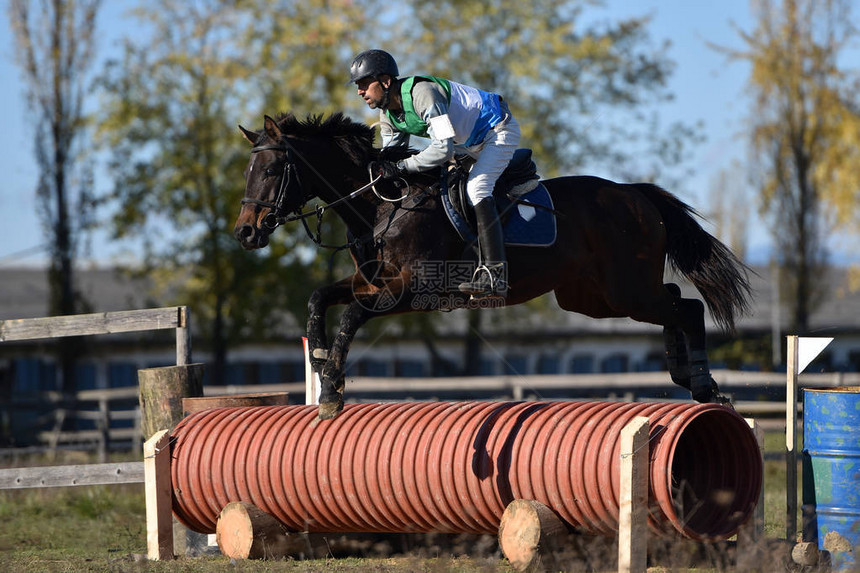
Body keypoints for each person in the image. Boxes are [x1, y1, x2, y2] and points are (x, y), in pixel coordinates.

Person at [348, 49, 520, 298]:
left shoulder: (423, 94)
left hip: (497, 130)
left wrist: (402, 167)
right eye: (358, 85)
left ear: (385, 81)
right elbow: (393, 155)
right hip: (467, 144)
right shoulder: (388, 114)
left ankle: (495, 275)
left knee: (476, 188)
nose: (359, 91)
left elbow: (442, 149)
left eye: (364, 84)